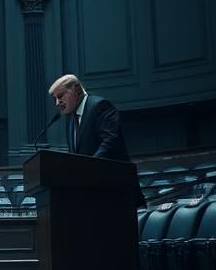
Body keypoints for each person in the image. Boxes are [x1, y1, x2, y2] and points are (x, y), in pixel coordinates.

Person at [48, 73, 145, 206]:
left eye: (60, 96)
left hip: (116, 191)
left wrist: (88, 168)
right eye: (55, 99)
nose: (57, 103)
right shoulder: (71, 120)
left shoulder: (100, 106)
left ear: (76, 89)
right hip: (91, 194)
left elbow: (111, 141)